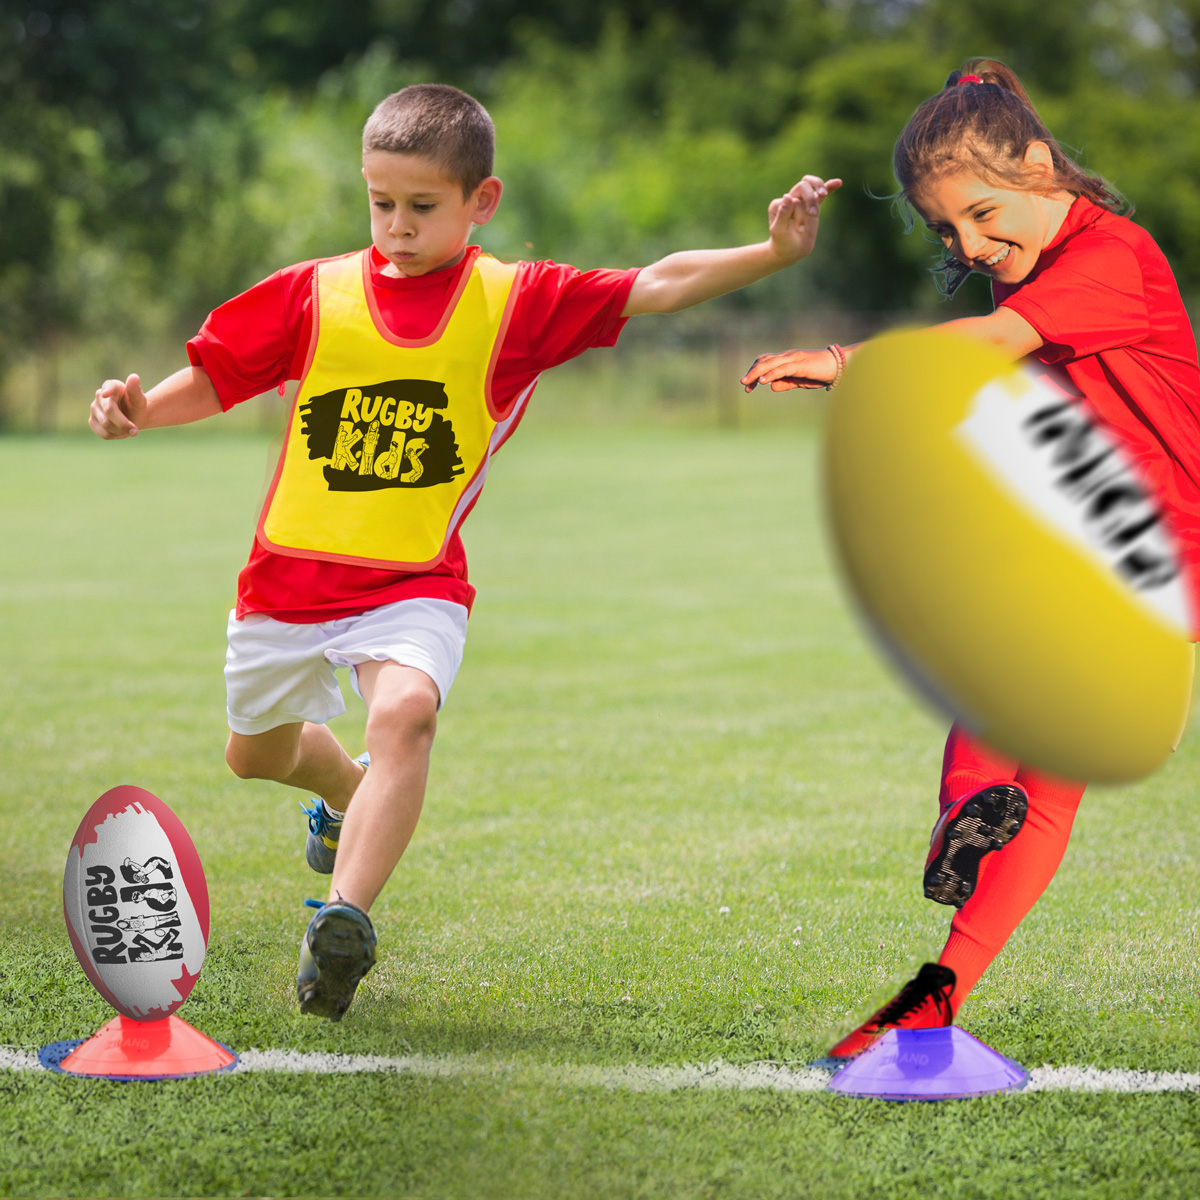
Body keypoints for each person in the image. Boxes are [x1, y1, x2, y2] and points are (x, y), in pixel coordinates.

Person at [90, 83, 841, 1021]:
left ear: (480, 202)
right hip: (286, 580)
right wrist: (141, 410)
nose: (396, 226)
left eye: (421, 206)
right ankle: (339, 794)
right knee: (252, 756)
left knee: (405, 713)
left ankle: (343, 922)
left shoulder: (513, 301)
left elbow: (653, 284)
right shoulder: (314, 292)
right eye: (380, 203)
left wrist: (771, 251)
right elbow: (216, 373)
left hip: (414, 584)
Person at [741, 58, 1200, 1060]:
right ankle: (939, 990)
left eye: (987, 215)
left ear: (1043, 165)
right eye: (947, 230)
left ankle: (966, 811)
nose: (972, 244)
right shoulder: (1035, 260)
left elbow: (991, 344)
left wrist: (846, 365)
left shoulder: (1111, 256)